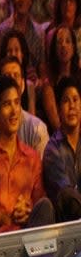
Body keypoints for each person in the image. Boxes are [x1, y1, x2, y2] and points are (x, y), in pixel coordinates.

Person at [0, 75, 53, 233]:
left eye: (17, 102)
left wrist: (28, 209)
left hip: (29, 236)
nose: (14, 111)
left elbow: (40, 204)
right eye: (7, 104)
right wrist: (8, 217)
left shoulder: (32, 157)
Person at [0, 56, 49, 160]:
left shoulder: (37, 128)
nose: (12, 80)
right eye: (7, 76)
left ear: (23, 85)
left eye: (16, 75)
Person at [42, 76, 81, 220]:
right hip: (66, 227)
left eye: (75, 100)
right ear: (58, 110)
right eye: (66, 101)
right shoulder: (53, 150)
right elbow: (66, 196)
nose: (72, 106)